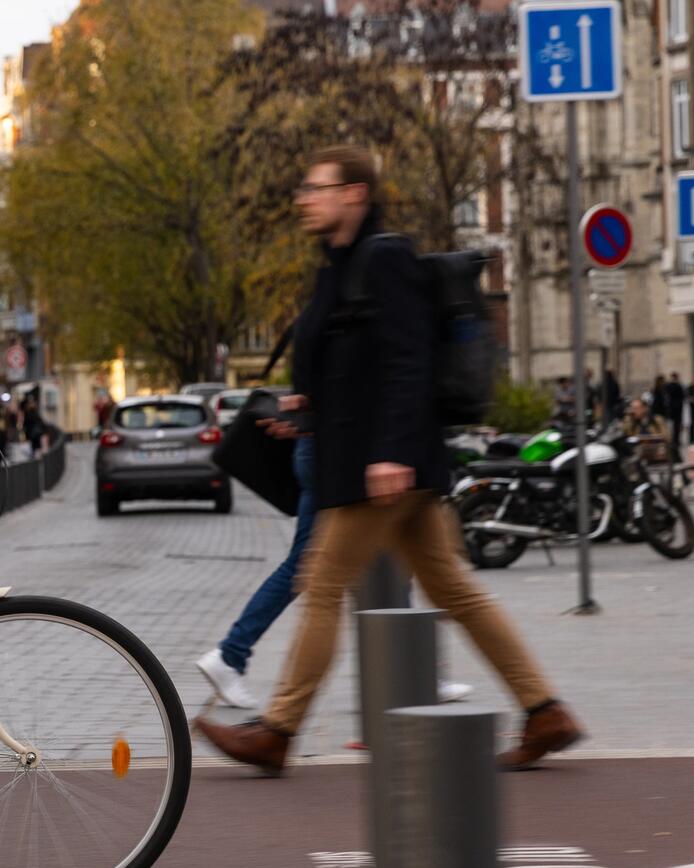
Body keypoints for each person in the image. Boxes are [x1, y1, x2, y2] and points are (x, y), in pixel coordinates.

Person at [192, 146, 583, 776]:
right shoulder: (337, 269)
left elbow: (409, 361)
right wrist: (303, 405)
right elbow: (356, 363)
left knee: (320, 585)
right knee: (454, 588)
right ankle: (544, 710)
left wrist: (392, 453)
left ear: (354, 195)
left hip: (381, 469)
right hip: (377, 461)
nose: (304, 198)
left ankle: (277, 730)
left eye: (317, 188)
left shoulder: (385, 258)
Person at [195, 431, 471, 710]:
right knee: (318, 565)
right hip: (338, 451)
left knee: (372, 561)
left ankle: (416, 673)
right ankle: (234, 658)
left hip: (328, 448)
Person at [663, 372, 687, 448]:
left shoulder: (668, 386)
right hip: (677, 409)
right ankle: (676, 440)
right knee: (676, 426)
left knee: (672, 426)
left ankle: (673, 440)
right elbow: (683, 396)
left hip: (671, 409)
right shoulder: (678, 385)